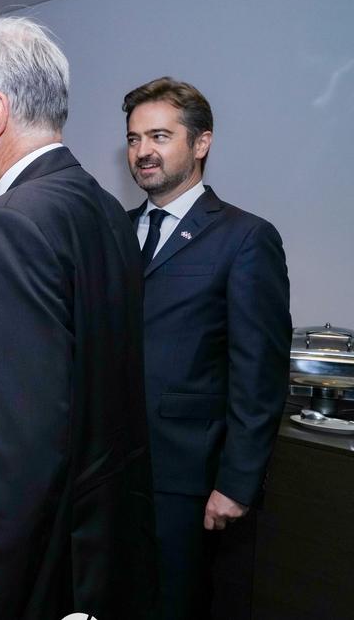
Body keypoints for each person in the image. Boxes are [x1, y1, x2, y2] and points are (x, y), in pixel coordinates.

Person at [0, 17, 156, 619]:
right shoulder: (101, 206)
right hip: (82, 549)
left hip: (10, 570)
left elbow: (21, 453)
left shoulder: (12, 224)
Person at [123, 76, 290, 619]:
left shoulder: (245, 237)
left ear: (201, 143)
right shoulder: (114, 231)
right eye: (134, 138)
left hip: (187, 480)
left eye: (159, 136)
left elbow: (259, 374)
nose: (143, 151)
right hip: (111, 471)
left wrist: (237, 484)